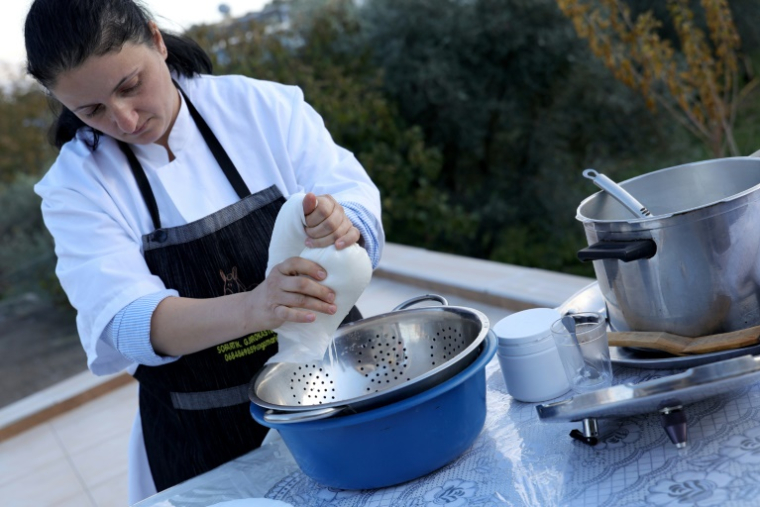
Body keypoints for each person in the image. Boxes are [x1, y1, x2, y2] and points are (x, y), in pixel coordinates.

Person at [24, 0, 384, 503]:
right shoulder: (77, 187)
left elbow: (353, 194)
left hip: (339, 389)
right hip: (201, 436)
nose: (125, 121)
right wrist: (254, 307)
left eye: (130, 86)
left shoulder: (259, 108)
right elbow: (123, 319)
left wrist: (343, 224)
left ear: (156, 39)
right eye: (92, 110)